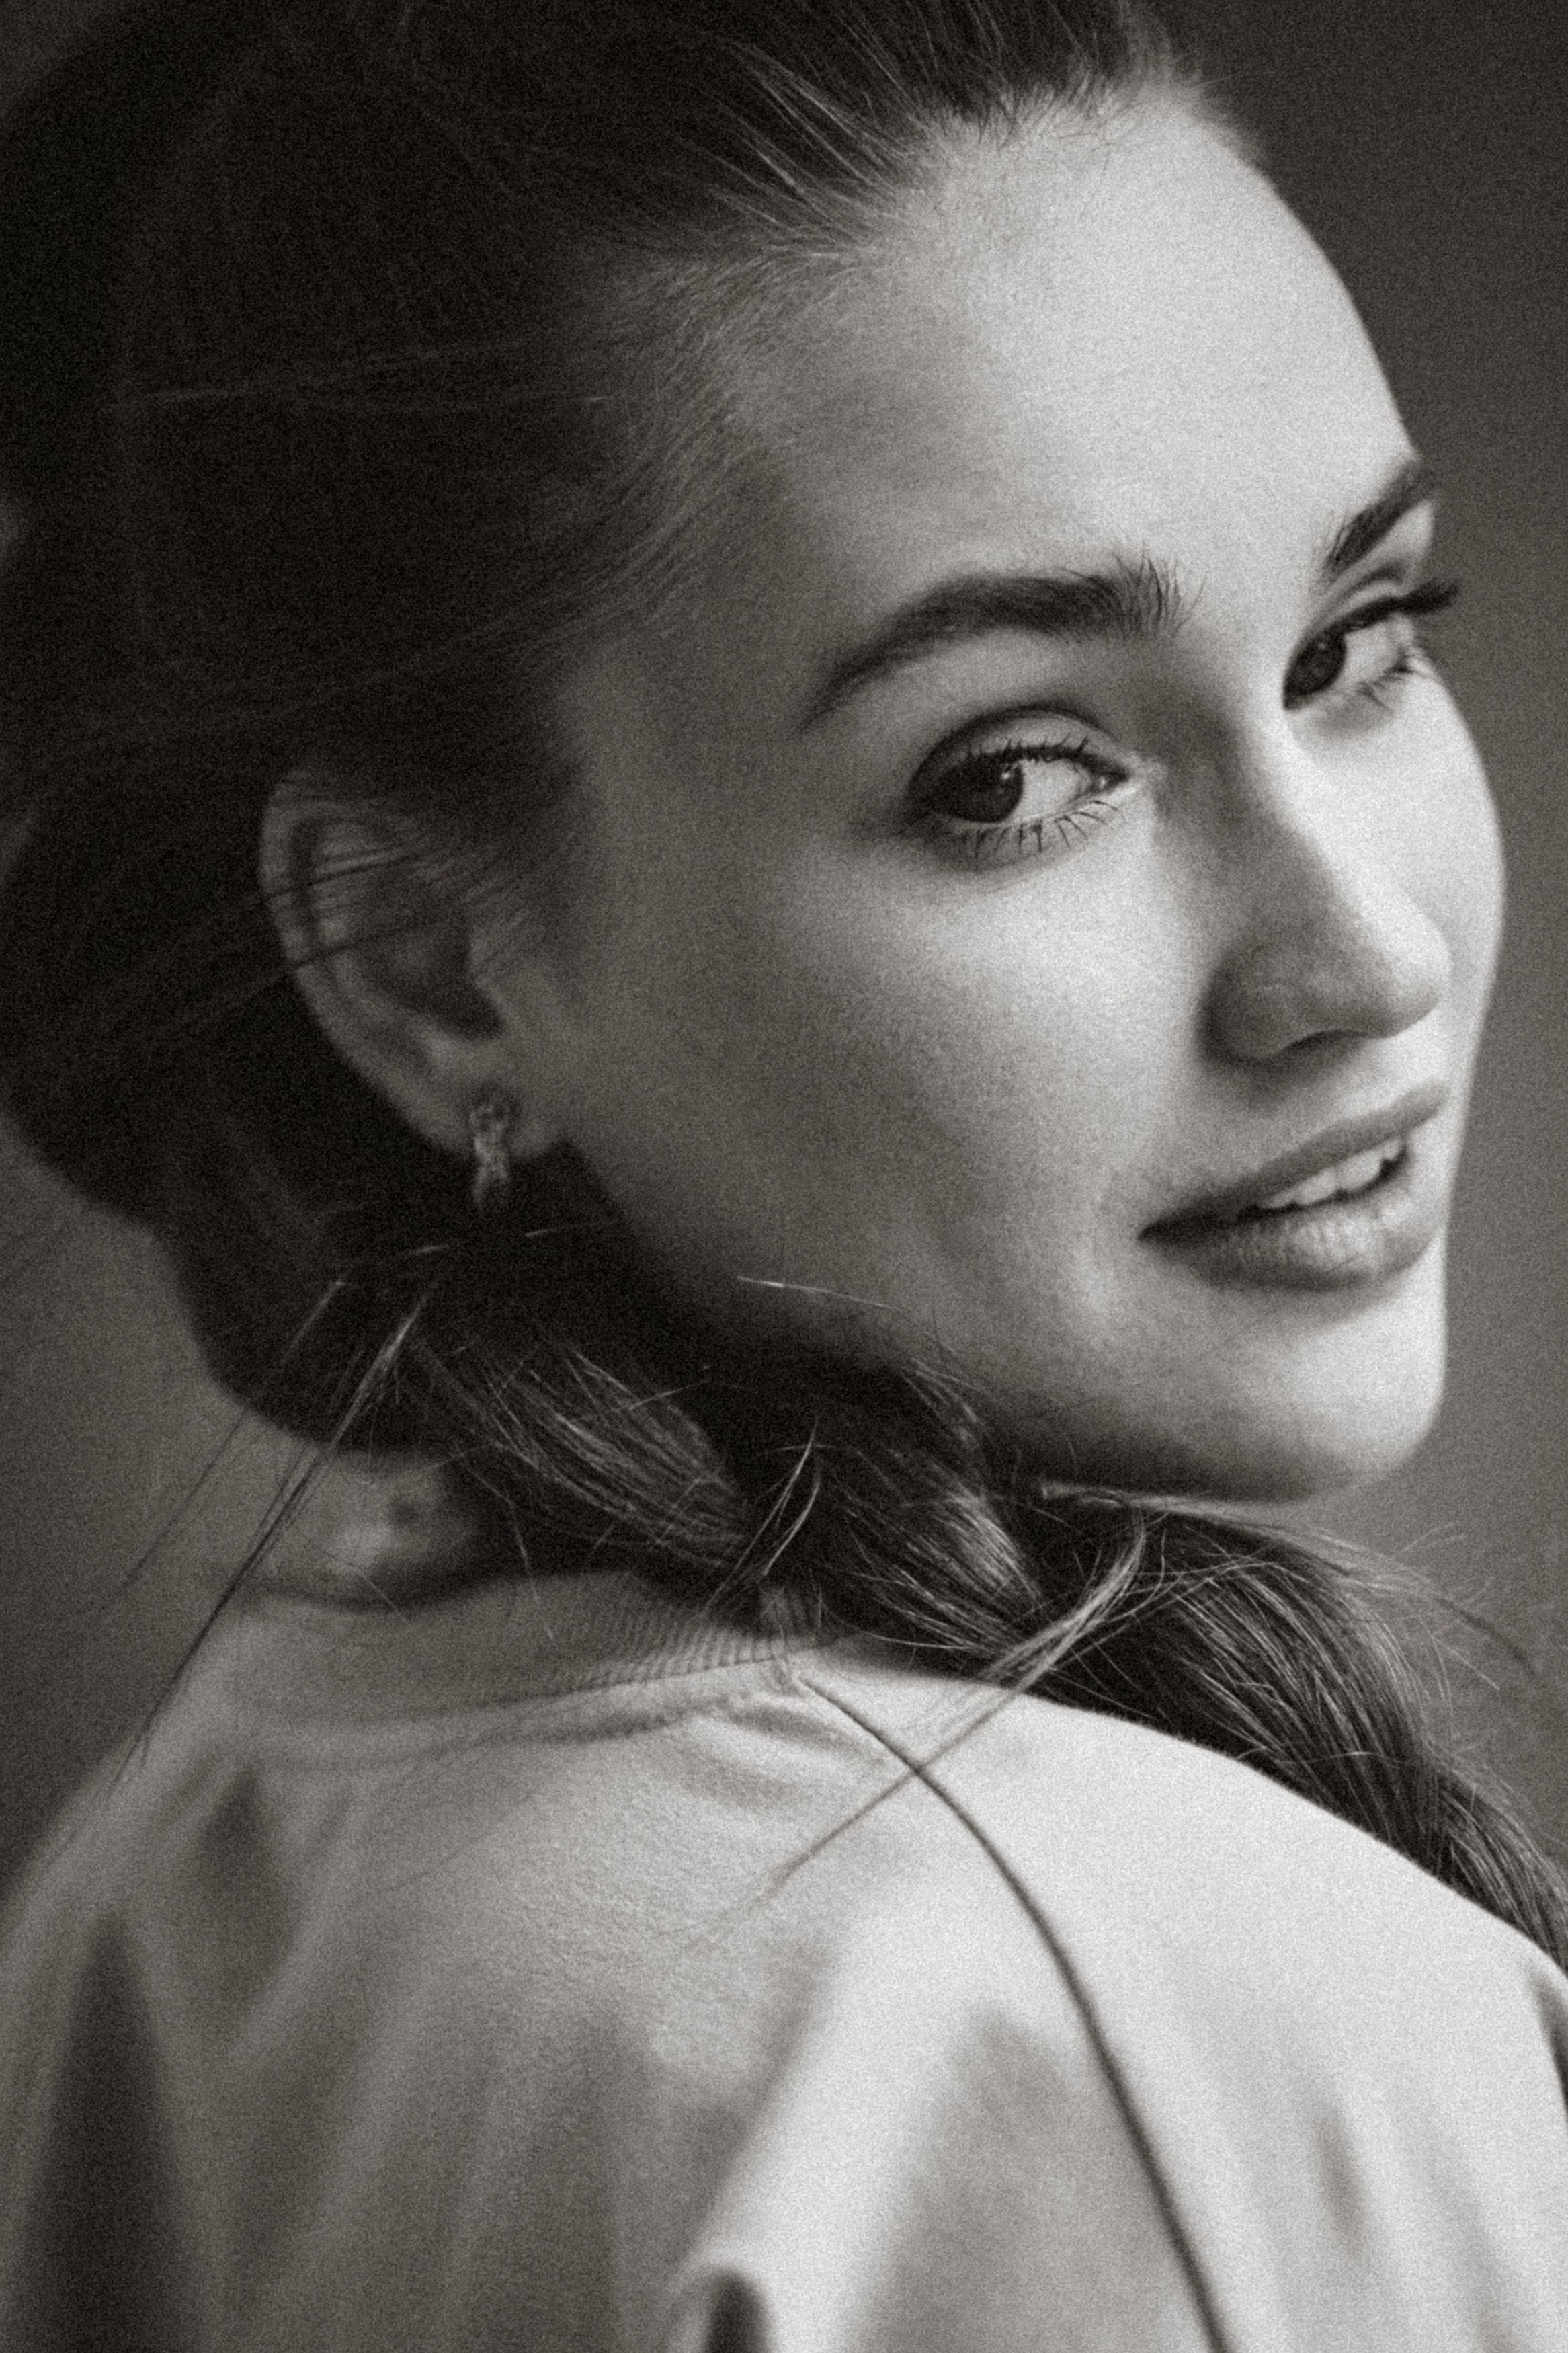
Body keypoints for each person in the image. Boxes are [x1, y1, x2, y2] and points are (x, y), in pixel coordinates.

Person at [2, 0, 1567, 2344]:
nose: (1364, 960)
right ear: (430, 966)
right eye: (1011, 775)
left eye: (1357, 641)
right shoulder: (1138, 2039)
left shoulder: (183, 1865)